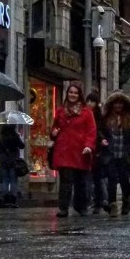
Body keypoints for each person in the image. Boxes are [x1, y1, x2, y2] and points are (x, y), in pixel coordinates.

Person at [51, 83, 96, 217]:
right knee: (65, 181)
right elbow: (55, 127)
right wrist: (53, 132)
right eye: (71, 92)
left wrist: (89, 145)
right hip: (64, 150)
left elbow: (91, 130)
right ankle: (63, 207)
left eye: (75, 93)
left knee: (80, 181)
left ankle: (80, 206)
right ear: (67, 94)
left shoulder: (86, 112)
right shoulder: (60, 111)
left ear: (79, 95)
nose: (73, 95)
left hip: (80, 151)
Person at [98, 93, 130, 215]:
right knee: (111, 180)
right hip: (110, 154)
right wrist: (102, 139)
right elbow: (99, 130)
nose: (118, 105)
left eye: (120, 103)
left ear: (124, 105)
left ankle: (126, 202)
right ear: (112, 104)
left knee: (124, 180)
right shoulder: (106, 118)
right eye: (116, 103)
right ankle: (113, 205)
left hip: (124, 154)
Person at [84, 92, 106, 214]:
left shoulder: (99, 118)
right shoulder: (83, 114)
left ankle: (99, 201)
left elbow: (102, 132)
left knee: (97, 178)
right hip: (85, 150)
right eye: (88, 101)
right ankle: (87, 201)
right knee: (86, 178)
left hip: (97, 151)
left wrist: (101, 141)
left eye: (91, 101)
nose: (89, 104)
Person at [0, 124, 26, 207]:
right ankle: (13, 200)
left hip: (3, 161)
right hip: (13, 161)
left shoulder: (0, 136)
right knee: (13, 181)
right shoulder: (15, 136)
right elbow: (22, 146)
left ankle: (5, 200)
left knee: (5, 180)